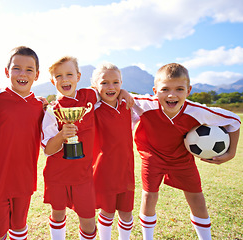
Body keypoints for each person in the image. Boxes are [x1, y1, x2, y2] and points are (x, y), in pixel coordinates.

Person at [132, 63, 241, 240]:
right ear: (155, 90)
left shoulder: (198, 111)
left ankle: (206, 237)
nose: (172, 95)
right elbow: (117, 93)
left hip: (181, 159)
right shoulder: (145, 104)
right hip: (152, 157)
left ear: (188, 90)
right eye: (165, 89)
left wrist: (231, 153)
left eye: (179, 89)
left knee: (197, 198)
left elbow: (234, 120)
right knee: (149, 196)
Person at [41, 56, 134, 240]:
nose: (65, 79)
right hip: (57, 175)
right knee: (58, 215)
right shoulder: (52, 110)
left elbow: (108, 88)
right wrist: (62, 135)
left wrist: (123, 91)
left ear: (78, 76)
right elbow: (48, 150)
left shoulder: (90, 96)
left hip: (83, 175)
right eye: (59, 76)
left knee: (89, 222)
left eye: (69, 74)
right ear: (53, 80)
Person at [0, 46, 44, 240]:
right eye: (16, 68)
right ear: (6, 71)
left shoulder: (40, 106)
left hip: (24, 180)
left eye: (29, 70)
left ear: (37, 75)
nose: (22, 74)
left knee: (19, 228)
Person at [91, 63, 137, 240]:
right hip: (105, 171)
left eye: (116, 82)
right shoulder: (94, 108)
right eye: (104, 83)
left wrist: (124, 92)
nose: (111, 87)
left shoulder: (127, 105)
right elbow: (80, 96)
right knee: (107, 212)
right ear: (95, 87)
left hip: (126, 170)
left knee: (126, 213)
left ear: (121, 83)